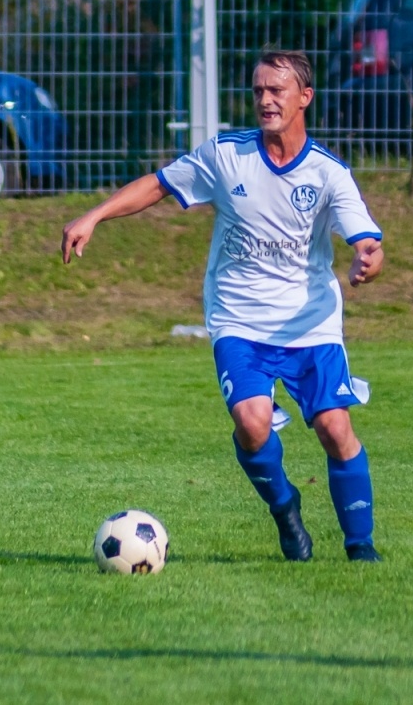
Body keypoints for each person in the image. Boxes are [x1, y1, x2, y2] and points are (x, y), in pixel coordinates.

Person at [61, 50, 386, 562]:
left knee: (334, 427)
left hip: (311, 324)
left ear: (305, 97)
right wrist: (95, 216)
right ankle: (285, 509)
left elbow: (364, 238)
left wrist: (368, 258)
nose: (265, 100)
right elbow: (159, 185)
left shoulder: (328, 173)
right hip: (238, 320)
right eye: (258, 90)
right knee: (252, 424)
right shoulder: (226, 155)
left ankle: (360, 547)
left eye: (277, 90)